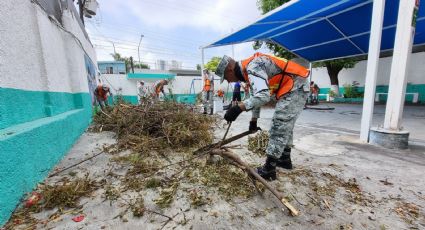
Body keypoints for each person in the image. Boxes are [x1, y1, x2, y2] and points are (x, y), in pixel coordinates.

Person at [215, 52, 310, 181]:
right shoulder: (248, 71)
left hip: (296, 84)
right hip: (292, 84)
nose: (228, 81)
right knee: (286, 122)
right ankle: (284, 159)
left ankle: (269, 170)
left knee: (280, 122)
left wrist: (238, 108)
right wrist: (253, 121)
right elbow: (256, 96)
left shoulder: (253, 67)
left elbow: (263, 96)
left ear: (230, 69)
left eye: (226, 77)